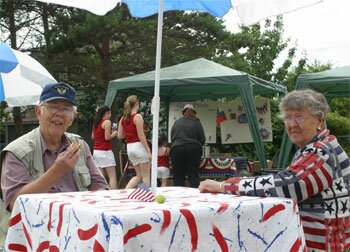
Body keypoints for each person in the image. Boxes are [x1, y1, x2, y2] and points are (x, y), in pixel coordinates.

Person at [199, 89, 350, 252]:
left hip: (324, 246)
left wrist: (224, 186)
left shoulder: (320, 152)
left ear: (319, 120)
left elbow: (287, 184)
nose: (292, 124)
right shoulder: (320, 146)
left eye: (299, 116)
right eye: (288, 117)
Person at [0, 82, 109, 248]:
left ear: (72, 117)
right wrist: (57, 171)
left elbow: (100, 187)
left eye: (66, 109)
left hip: (79, 233)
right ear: (38, 112)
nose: (59, 114)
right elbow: (16, 203)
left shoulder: (80, 146)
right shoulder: (17, 151)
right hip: (33, 238)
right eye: (52, 107)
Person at [117, 95, 151, 188]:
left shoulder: (122, 119)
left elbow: (120, 136)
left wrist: (129, 132)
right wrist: (148, 151)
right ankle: (145, 196)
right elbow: (141, 135)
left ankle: (125, 192)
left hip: (130, 148)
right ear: (136, 104)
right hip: (139, 146)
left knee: (138, 175)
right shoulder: (138, 116)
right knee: (146, 176)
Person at [170, 104, 205, 188]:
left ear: (183, 112)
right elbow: (202, 139)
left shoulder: (176, 122)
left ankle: (178, 198)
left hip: (177, 149)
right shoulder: (196, 122)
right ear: (194, 112)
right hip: (192, 149)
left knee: (178, 176)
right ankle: (196, 197)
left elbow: (172, 139)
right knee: (193, 175)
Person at [91, 105, 118, 189]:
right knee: (112, 177)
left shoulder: (96, 122)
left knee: (101, 177)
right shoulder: (107, 122)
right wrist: (114, 133)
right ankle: (114, 194)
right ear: (107, 113)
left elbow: (93, 137)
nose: (110, 115)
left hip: (96, 151)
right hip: (105, 151)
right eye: (110, 113)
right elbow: (107, 137)